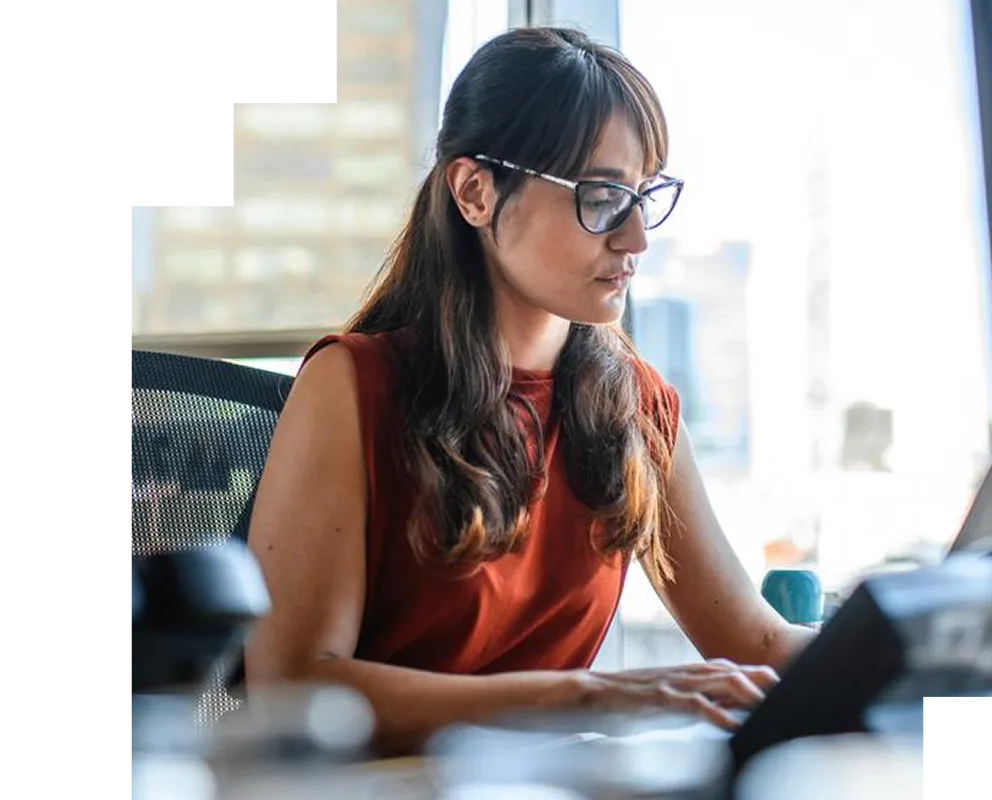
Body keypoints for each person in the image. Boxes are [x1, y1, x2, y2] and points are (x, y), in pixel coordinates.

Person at [244, 26, 816, 756]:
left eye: (645, 196)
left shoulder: (634, 404)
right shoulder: (353, 384)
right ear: (476, 192)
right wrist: (589, 696)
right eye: (604, 196)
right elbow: (293, 685)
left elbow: (755, 640)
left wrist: (923, 653)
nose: (637, 238)